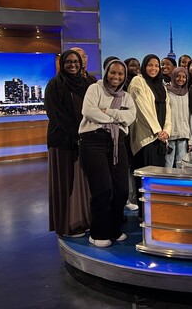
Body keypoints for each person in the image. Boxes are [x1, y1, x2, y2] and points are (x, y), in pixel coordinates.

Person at [79, 59, 136, 247]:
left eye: (120, 74)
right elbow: (88, 111)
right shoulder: (94, 89)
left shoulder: (126, 96)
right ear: (106, 71)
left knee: (121, 190)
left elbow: (131, 116)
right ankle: (98, 233)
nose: (116, 77)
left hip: (117, 142)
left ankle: (114, 228)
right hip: (93, 141)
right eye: (113, 72)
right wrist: (116, 119)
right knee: (103, 189)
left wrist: (108, 112)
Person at [44, 49, 91, 238]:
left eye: (76, 61)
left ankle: (84, 219)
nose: (72, 65)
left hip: (83, 140)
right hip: (63, 142)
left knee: (82, 183)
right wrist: (76, 134)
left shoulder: (87, 83)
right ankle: (67, 225)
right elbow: (55, 114)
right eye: (68, 62)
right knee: (66, 184)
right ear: (62, 64)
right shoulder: (55, 84)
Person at [128, 54, 172, 215]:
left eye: (156, 65)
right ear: (144, 67)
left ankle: (156, 214)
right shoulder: (137, 82)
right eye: (150, 65)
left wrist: (167, 130)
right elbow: (141, 108)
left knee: (157, 179)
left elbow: (168, 109)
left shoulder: (161, 85)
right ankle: (145, 216)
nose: (153, 68)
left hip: (160, 139)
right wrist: (157, 130)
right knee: (145, 179)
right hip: (145, 138)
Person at [164, 67, 192, 167]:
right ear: (173, 77)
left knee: (181, 165)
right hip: (170, 135)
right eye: (178, 76)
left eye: (184, 77)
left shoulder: (188, 94)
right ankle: (166, 183)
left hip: (184, 135)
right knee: (168, 164)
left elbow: (190, 116)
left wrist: (191, 138)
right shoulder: (167, 92)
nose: (181, 79)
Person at [122, 57, 140, 211]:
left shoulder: (140, 83)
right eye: (132, 64)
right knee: (127, 166)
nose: (136, 67)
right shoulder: (123, 85)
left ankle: (132, 197)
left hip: (137, 130)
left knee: (134, 165)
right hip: (125, 131)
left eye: (137, 65)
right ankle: (128, 198)